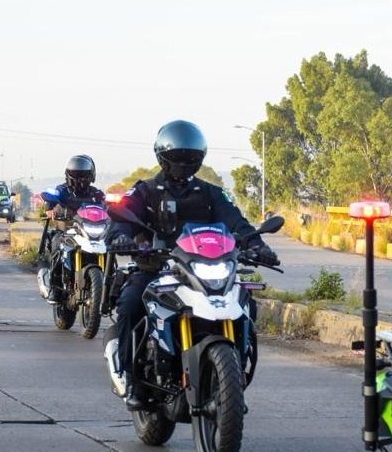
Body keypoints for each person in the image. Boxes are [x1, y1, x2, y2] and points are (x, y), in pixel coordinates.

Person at [106, 119, 279, 410]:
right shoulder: (146, 190)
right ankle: (129, 378)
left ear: (199, 159)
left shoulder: (211, 193)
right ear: (163, 157)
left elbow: (236, 220)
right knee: (130, 302)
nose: (183, 165)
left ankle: (233, 377)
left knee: (246, 302)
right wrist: (121, 238)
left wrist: (256, 244)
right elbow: (123, 215)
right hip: (157, 267)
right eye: (177, 159)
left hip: (203, 268)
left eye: (190, 159)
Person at [36, 154, 105, 302]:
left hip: (89, 232)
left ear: (90, 174)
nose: (79, 177)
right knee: (56, 246)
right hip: (66, 231)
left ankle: (110, 288)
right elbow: (48, 194)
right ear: (68, 173)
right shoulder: (62, 190)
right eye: (75, 173)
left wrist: (116, 210)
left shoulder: (96, 193)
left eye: (83, 173)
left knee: (110, 248)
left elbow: (107, 204)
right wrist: (51, 208)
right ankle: (55, 288)